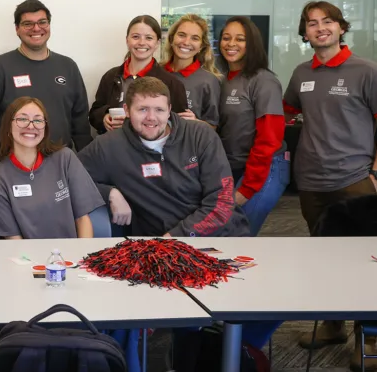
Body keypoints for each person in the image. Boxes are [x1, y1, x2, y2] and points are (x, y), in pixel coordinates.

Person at [283, 1, 377, 371]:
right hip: (311, 182)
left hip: (354, 180)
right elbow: (285, 114)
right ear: (304, 33)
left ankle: (367, 336)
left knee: (363, 261)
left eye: (327, 21)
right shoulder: (301, 73)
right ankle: (333, 325)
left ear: (341, 27)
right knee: (325, 259)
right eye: (312, 23)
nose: (320, 28)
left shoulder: (367, 70)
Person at [79, 77, 249, 237]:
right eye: (142, 109)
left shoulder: (200, 136)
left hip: (220, 238)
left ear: (169, 110)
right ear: (127, 110)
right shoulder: (109, 146)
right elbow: (70, 178)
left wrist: (173, 239)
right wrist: (109, 193)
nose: (151, 118)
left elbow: (222, 204)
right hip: (157, 246)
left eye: (159, 110)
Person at [0, 0, 92, 180]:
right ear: (17, 29)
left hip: (60, 167)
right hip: (13, 167)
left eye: (42, 22)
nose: (36, 28)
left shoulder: (68, 67)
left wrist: (86, 169)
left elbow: (81, 123)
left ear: (49, 25)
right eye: (28, 24)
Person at [0, 97, 105, 239]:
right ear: (8, 127)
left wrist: (82, 253)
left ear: (45, 128)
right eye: (22, 119)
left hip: (72, 252)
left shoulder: (64, 159)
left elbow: (83, 219)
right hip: (27, 253)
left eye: (38, 120)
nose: (31, 126)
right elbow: (14, 240)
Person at [217, 16, 289, 236]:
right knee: (222, 235)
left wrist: (247, 188)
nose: (231, 44)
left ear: (252, 44)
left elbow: (269, 139)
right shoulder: (222, 79)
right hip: (234, 167)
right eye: (226, 38)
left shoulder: (264, 80)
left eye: (240, 39)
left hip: (264, 168)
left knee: (238, 235)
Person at [89, 14, 188, 133]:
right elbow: (94, 113)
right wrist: (104, 117)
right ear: (127, 40)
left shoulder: (172, 83)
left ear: (157, 43)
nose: (142, 42)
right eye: (136, 37)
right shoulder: (110, 76)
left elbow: (180, 127)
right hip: (113, 143)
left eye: (149, 38)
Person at [162, 14, 221, 125]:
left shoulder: (208, 81)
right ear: (171, 39)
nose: (186, 42)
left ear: (201, 46)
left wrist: (196, 123)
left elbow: (213, 126)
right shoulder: (157, 72)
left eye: (195, 38)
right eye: (181, 35)